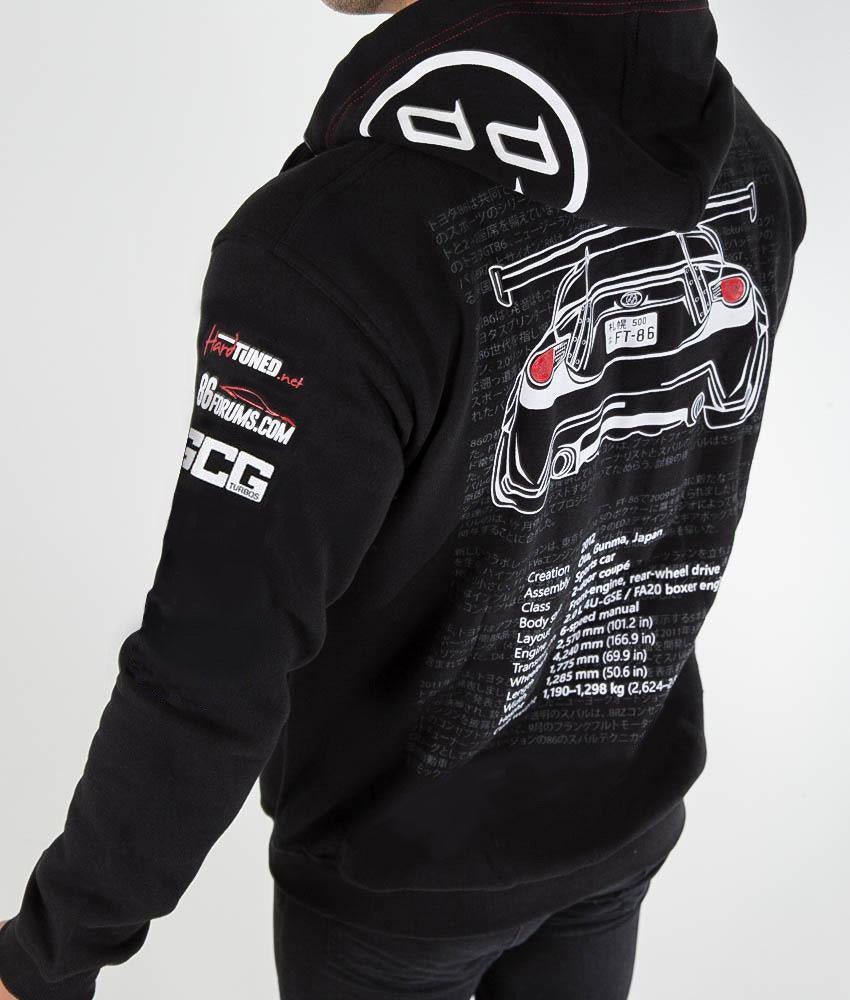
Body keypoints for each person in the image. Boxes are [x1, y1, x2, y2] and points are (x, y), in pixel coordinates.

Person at [0, 0, 806, 997]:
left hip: (395, 893)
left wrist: (49, 955)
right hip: (617, 825)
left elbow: (212, 664)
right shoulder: (747, 162)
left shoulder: (328, 248)